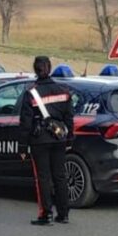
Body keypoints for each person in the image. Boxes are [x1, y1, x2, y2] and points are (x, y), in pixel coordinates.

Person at [19, 56, 75, 226]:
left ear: (35, 70)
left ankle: (46, 214)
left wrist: (23, 146)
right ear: (50, 68)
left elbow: (25, 122)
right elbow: (69, 117)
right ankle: (63, 214)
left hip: (39, 140)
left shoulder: (31, 93)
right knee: (60, 176)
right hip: (59, 138)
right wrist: (69, 137)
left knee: (43, 178)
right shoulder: (63, 91)